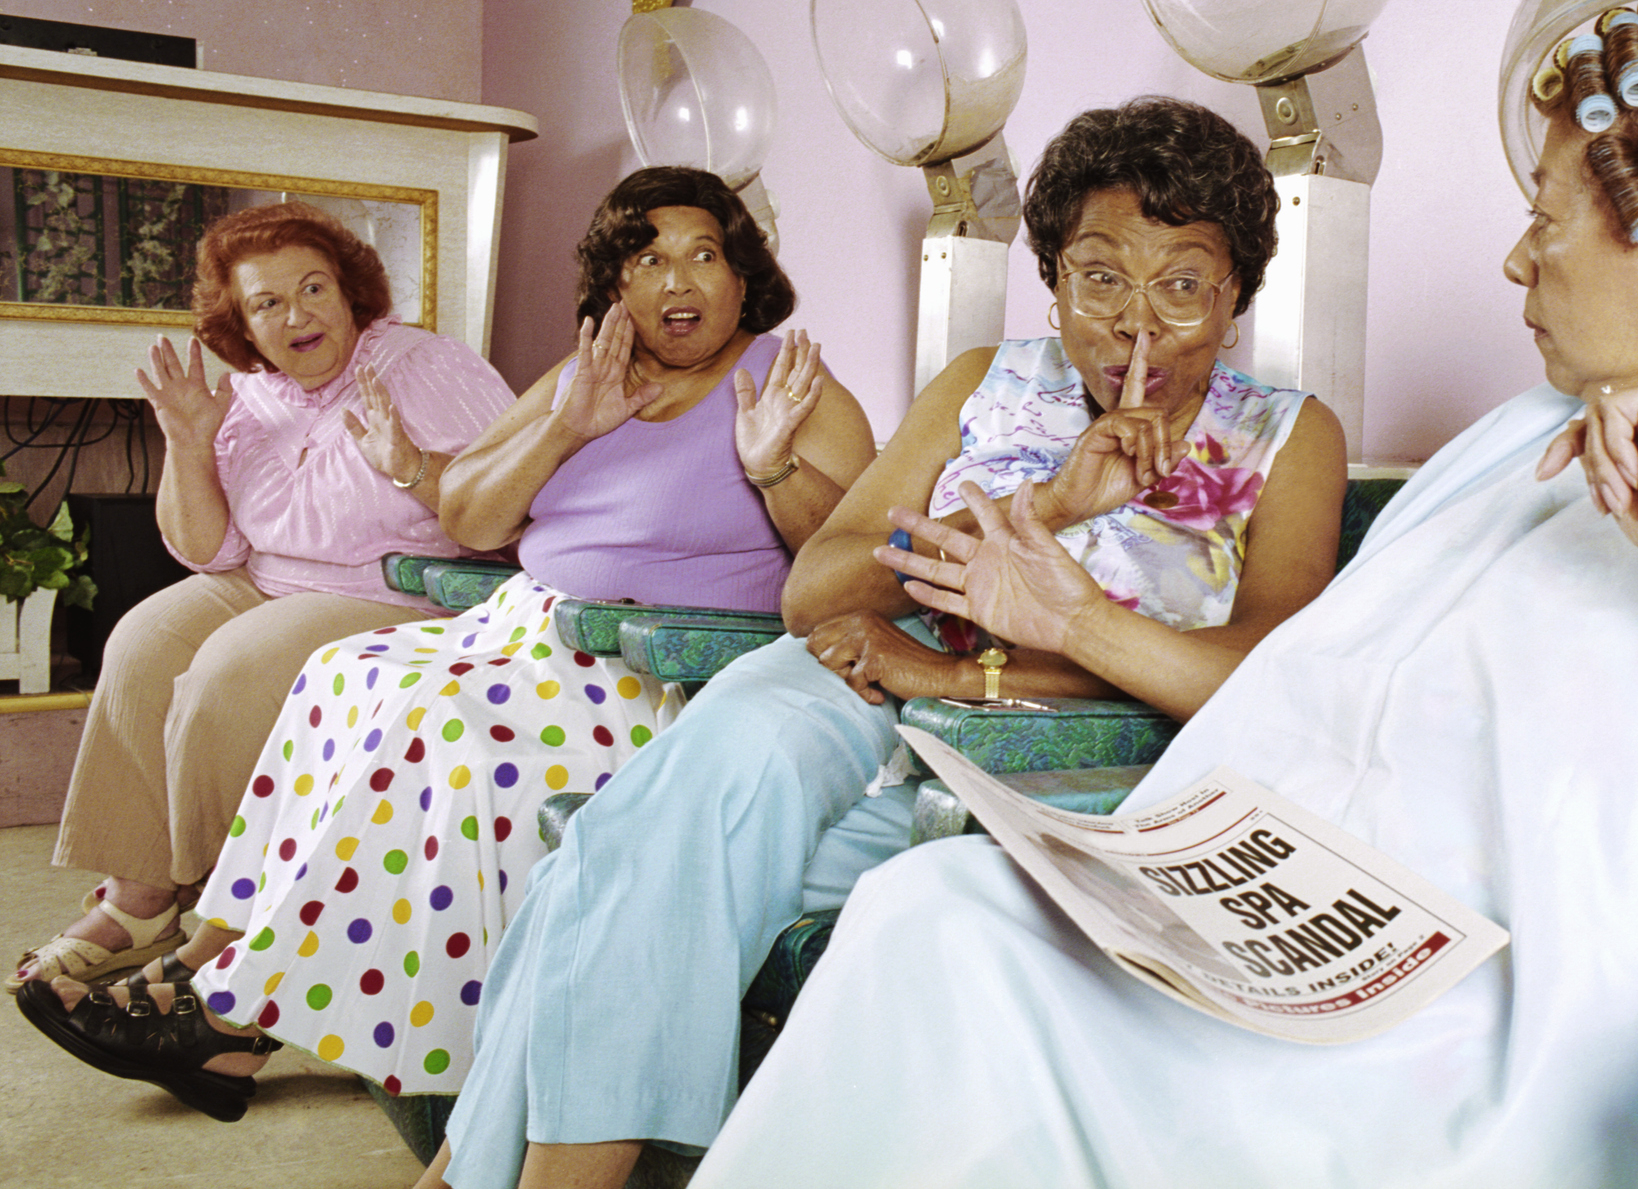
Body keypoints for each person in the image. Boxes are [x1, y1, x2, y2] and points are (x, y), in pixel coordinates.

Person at [682, 0, 1638, 1188]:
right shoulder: (1512, 443)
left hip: (1512, 1060)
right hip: (1275, 962)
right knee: (942, 919)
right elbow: (1304, 699)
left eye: (1548, 215)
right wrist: (1073, 643)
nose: (1514, 254)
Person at [416, 96, 1349, 1189]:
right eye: (1098, 278)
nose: (1135, 326)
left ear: (1234, 297)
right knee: (672, 821)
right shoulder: (981, 384)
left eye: (1182, 285)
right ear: (1051, 281)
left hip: (1040, 751)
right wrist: (1042, 505)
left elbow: (1255, 680)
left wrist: (960, 671)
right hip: (843, 681)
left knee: (612, 859)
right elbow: (816, 591)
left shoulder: (1284, 438)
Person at [17, 167, 877, 1122]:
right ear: (617, 286)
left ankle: (229, 1022)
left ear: (742, 273)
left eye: (703, 256)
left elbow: (850, 566)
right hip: (521, 627)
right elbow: (469, 513)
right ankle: (214, 945)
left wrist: (774, 466)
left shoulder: (791, 380)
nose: (677, 282)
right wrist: (565, 427)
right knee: (345, 674)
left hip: (646, 668)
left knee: (430, 719)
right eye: (648, 260)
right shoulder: (584, 375)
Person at [9, 201, 514, 993]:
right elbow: (207, 551)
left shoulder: (424, 367)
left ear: (350, 292)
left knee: (228, 674)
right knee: (141, 640)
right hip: (265, 578)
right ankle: (141, 896)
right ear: (243, 324)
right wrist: (186, 443)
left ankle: (227, 916)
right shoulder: (252, 395)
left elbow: (505, 507)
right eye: (267, 303)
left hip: (395, 590)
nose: (297, 315)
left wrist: (410, 461)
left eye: (313, 288)